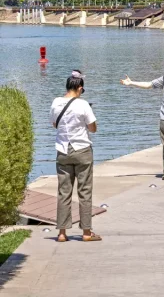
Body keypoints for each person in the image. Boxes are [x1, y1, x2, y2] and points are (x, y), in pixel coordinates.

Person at [50, 70, 101, 242]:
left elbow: (53, 124)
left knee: (64, 192)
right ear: (79, 89)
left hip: (63, 151)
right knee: (84, 191)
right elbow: (93, 128)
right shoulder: (83, 104)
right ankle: (86, 232)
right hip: (82, 150)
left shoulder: (56, 103)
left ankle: (62, 233)